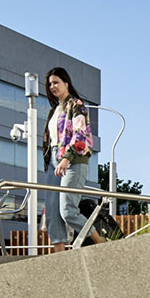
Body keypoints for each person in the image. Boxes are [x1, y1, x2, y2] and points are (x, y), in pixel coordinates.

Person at [41, 68, 101, 249]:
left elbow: (80, 134)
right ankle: (61, 262)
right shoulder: (54, 111)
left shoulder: (76, 104)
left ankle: (103, 246)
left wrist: (67, 158)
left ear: (66, 83)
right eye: (50, 84)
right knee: (52, 214)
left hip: (73, 160)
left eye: (56, 82)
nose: (52, 86)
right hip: (53, 161)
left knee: (67, 211)